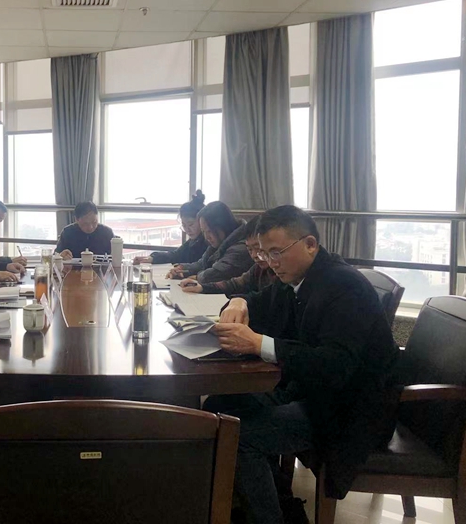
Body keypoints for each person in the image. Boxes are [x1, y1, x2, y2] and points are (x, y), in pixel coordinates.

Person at [206, 206, 399, 524]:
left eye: (276, 252)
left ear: (310, 244)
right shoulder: (299, 276)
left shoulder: (344, 286)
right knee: (219, 406)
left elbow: (335, 365)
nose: (270, 262)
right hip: (312, 392)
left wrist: (257, 344)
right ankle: (275, 499)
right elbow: (260, 299)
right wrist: (239, 301)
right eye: (264, 253)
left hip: (348, 410)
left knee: (238, 436)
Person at [181, 216, 277, 295]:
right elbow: (236, 284)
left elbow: (264, 299)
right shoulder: (258, 269)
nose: (254, 255)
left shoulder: (280, 274)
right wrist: (202, 288)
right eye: (250, 249)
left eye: (258, 248)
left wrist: (242, 301)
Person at [167, 201, 253, 284]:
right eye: (204, 232)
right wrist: (182, 269)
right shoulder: (219, 241)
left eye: (209, 231)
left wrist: (197, 277)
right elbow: (202, 264)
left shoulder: (241, 246)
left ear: (223, 226)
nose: (207, 237)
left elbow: (218, 273)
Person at [133, 190, 208, 265]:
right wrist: (152, 258)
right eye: (184, 225)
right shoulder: (193, 241)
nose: (187, 229)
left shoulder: (208, 242)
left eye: (190, 224)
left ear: (201, 222)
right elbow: (175, 255)